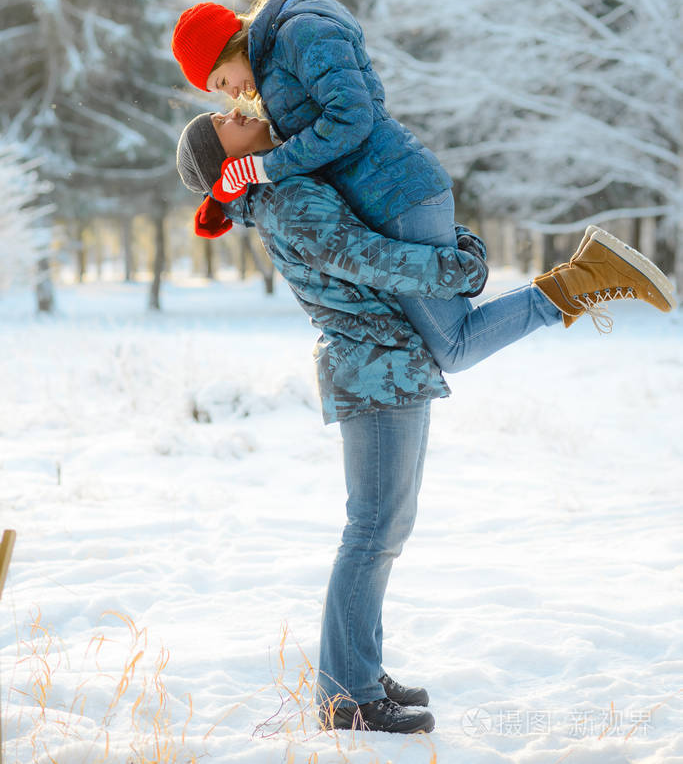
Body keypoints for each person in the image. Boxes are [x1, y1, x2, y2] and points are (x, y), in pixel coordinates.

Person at [175, 109, 674, 736]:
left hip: (383, 361)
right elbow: (373, 259)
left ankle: (355, 670)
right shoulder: (287, 201)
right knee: (372, 530)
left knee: (383, 528)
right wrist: (460, 267)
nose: (231, 111)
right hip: (375, 367)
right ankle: (347, 695)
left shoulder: (284, 188)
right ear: (228, 162)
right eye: (220, 123)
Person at [170, 0, 675, 358]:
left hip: (397, 192)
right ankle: (585, 276)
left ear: (226, 47)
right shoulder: (280, 58)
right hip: (390, 193)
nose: (233, 95)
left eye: (220, 81)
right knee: (451, 344)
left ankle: (589, 276)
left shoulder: (299, 33)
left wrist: (268, 167)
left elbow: (353, 118)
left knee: (453, 346)